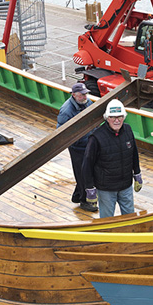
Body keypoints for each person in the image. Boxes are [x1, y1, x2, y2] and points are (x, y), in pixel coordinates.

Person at [82, 100, 142, 218]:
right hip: (106, 189)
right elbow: (87, 164)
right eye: (112, 117)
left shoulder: (128, 130)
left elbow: (134, 154)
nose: (116, 120)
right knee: (107, 220)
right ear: (107, 118)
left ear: (124, 117)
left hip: (126, 185)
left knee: (130, 218)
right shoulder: (96, 137)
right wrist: (89, 188)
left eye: (120, 117)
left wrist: (137, 173)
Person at [57, 82, 97, 212]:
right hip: (78, 147)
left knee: (89, 171)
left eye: (86, 94)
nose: (85, 97)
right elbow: (61, 132)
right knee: (82, 173)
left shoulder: (87, 102)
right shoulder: (66, 111)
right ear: (74, 95)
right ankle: (84, 201)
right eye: (82, 95)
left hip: (89, 143)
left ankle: (78, 195)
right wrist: (77, 142)